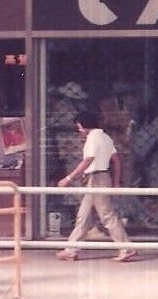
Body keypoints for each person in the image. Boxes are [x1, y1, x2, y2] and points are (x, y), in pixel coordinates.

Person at [55, 111, 136, 263]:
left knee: (107, 216)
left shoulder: (93, 138)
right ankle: (71, 249)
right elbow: (116, 161)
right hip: (101, 177)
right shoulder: (105, 137)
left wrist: (69, 178)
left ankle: (126, 248)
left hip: (96, 178)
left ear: (85, 125)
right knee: (83, 216)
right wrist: (116, 181)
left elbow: (88, 160)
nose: (79, 130)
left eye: (79, 127)